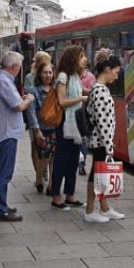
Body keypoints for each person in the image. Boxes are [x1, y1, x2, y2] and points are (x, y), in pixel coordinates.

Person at [0, 51, 35, 222]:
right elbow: (18, 106)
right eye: (20, 66)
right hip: (5, 133)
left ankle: (0, 204)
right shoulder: (3, 80)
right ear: (14, 67)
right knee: (2, 173)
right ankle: (0, 209)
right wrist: (29, 99)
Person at [83, 54, 126, 223]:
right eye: (116, 72)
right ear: (107, 70)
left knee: (98, 175)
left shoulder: (99, 88)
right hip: (101, 141)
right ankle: (89, 211)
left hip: (101, 140)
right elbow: (102, 121)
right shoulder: (100, 90)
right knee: (96, 175)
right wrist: (109, 147)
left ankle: (104, 208)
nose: (117, 76)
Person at [50, 45, 88, 211]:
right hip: (65, 122)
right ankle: (56, 196)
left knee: (73, 160)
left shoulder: (75, 76)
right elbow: (62, 101)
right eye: (82, 56)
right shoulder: (63, 76)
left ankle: (70, 195)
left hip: (76, 123)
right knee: (61, 160)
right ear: (73, 58)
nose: (85, 59)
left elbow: (80, 91)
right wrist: (81, 98)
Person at [26, 60, 56, 193]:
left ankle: (51, 184)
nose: (48, 75)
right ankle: (39, 179)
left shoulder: (56, 90)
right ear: (40, 74)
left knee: (54, 157)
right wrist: (36, 130)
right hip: (42, 129)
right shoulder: (34, 90)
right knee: (44, 157)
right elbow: (31, 111)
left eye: (50, 72)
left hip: (56, 128)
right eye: (45, 72)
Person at [78, 54, 96, 176]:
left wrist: (81, 88)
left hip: (84, 111)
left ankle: (81, 165)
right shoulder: (71, 76)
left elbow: (92, 92)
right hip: (73, 111)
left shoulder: (90, 77)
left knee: (83, 140)